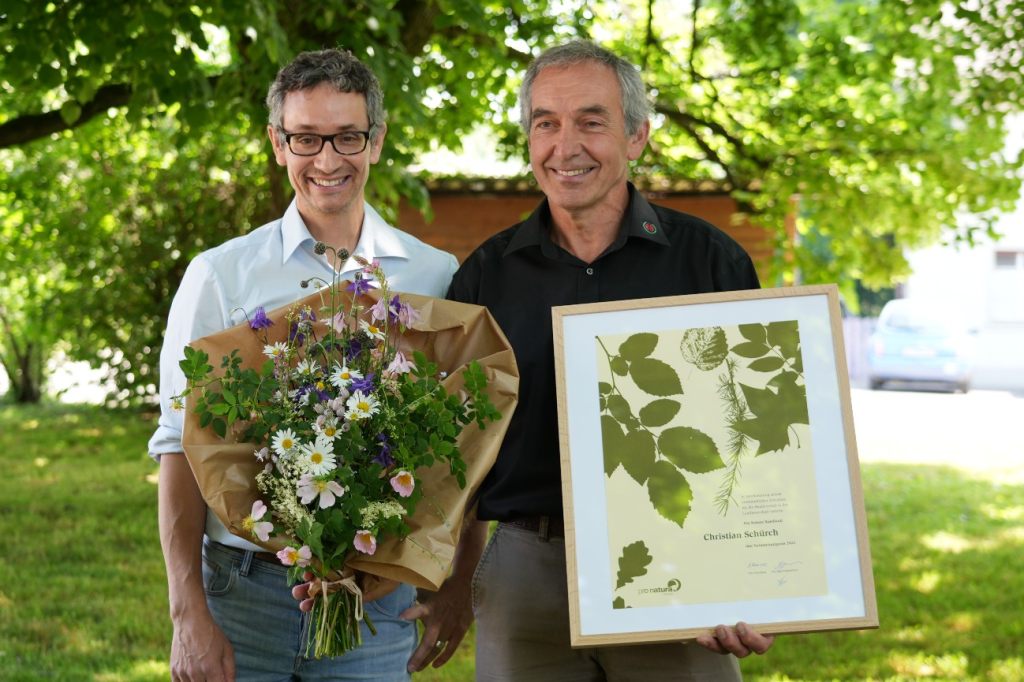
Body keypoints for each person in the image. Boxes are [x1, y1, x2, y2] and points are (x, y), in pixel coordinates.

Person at [435, 40, 776, 680]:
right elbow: (461, 447)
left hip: (681, 570)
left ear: (637, 135)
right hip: (526, 576)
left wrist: (748, 575)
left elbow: (754, 429)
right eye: (546, 124)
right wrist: (455, 579)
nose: (566, 147)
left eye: (592, 122)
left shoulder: (710, 261)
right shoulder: (486, 275)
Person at [149, 48, 460, 681]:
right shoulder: (220, 274)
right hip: (241, 597)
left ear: (375, 141)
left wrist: (453, 584)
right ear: (277, 143)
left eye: (346, 137)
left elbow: (456, 447)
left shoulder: (434, 275)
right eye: (306, 138)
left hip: (375, 604)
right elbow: (179, 443)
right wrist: (188, 615)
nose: (326, 160)